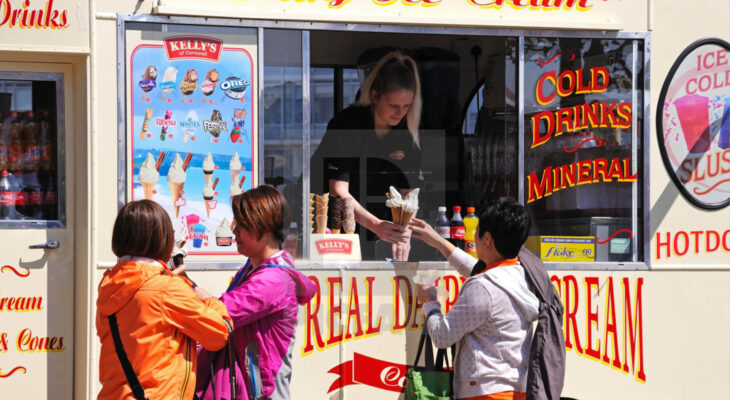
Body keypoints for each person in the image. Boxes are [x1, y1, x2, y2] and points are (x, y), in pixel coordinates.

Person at [96, 200, 232, 400]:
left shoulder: (110, 285)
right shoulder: (167, 288)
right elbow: (218, 335)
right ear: (162, 238)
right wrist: (204, 296)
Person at [410, 198, 539, 400]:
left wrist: (431, 303)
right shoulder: (521, 274)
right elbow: (477, 269)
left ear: (487, 239)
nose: (474, 237)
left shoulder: (482, 287)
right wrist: (437, 240)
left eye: (476, 231)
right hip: (518, 391)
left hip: (485, 392)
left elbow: (442, 336)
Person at [195, 185, 317, 400]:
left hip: (262, 391)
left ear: (266, 229)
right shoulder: (257, 267)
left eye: (242, 225)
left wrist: (187, 288)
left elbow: (221, 312)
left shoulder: (273, 280)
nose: (234, 231)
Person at [310, 51, 423, 261]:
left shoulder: (407, 134)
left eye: (406, 106)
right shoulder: (348, 125)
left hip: (382, 233)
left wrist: (404, 232)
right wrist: (376, 225)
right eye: (393, 106)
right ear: (374, 95)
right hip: (337, 229)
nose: (400, 113)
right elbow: (338, 190)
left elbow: (409, 194)